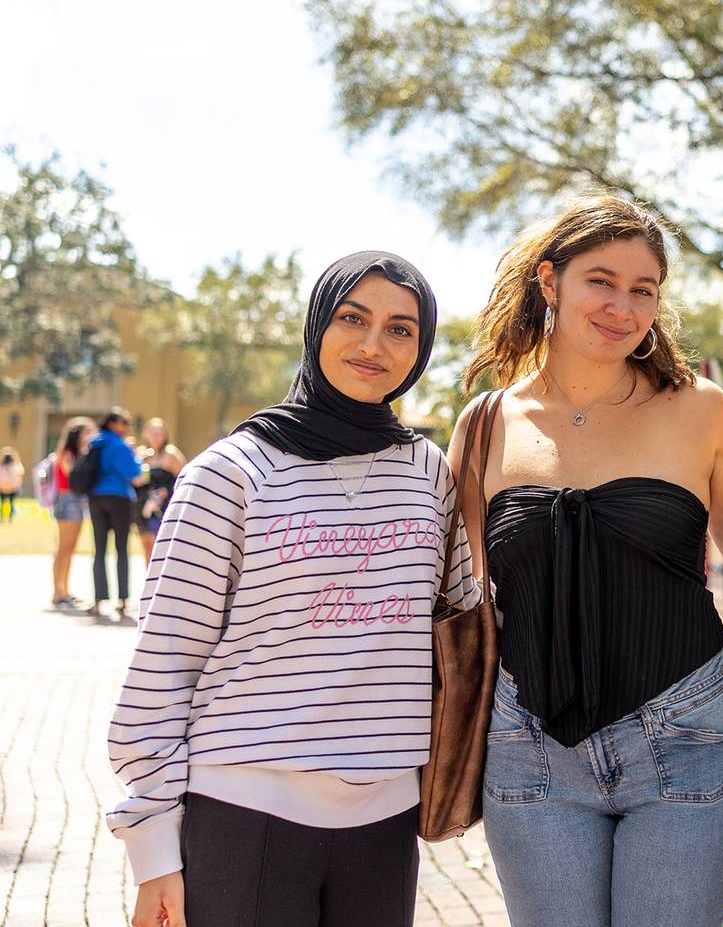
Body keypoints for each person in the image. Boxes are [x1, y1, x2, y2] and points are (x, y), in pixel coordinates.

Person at [106, 252, 475, 927]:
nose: (372, 345)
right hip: (244, 814)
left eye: (400, 328)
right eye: (351, 318)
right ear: (315, 326)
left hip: (386, 820)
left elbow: (460, 622)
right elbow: (164, 663)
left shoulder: (429, 472)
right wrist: (153, 850)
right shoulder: (231, 472)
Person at [461, 195, 723, 926]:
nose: (622, 306)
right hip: (529, 750)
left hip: (689, 738)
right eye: (601, 280)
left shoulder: (701, 409)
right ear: (548, 281)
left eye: (643, 289)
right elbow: (463, 591)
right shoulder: (485, 423)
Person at [85, 408, 148, 622]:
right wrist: (137, 456)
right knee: (122, 548)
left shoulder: (94, 442)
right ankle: (122, 599)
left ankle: (98, 599)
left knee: (99, 549)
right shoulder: (119, 445)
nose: (127, 427)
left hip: (95, 497)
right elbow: (135, 474)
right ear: (113, 423)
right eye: (124, 422)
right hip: (119, 497)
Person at [46, 418, 95, 609]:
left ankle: (64, 590)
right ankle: (57, 593)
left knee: (70, 549)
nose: (91, 435)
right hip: (67, 500)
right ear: (77, 434)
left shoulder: (78, 454)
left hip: (76, 502)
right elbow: (73, 478)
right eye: (87, 432)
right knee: (63, 548)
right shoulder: (67, 454)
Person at [135, 418, 187, 564]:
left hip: (163, 507)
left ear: (165, 435)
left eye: (159, 432)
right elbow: (135, 480)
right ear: (146, 434)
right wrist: (138, 460)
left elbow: (186, 477)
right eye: (152, 432)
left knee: (159, 545)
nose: (156, 436)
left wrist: (168, 492)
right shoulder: (140, 454)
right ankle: (148, 582)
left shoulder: (171, 454)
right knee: (146, 544)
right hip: (143, 505)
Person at [0, 447, 22, 522]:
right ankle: (10, 518)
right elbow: (20, 472)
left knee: (2, 503)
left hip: (2, 488)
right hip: (12, 488)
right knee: (11, 503)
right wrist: (15, 454)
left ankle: (2, 517)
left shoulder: (1, 466)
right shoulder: (15, 466)